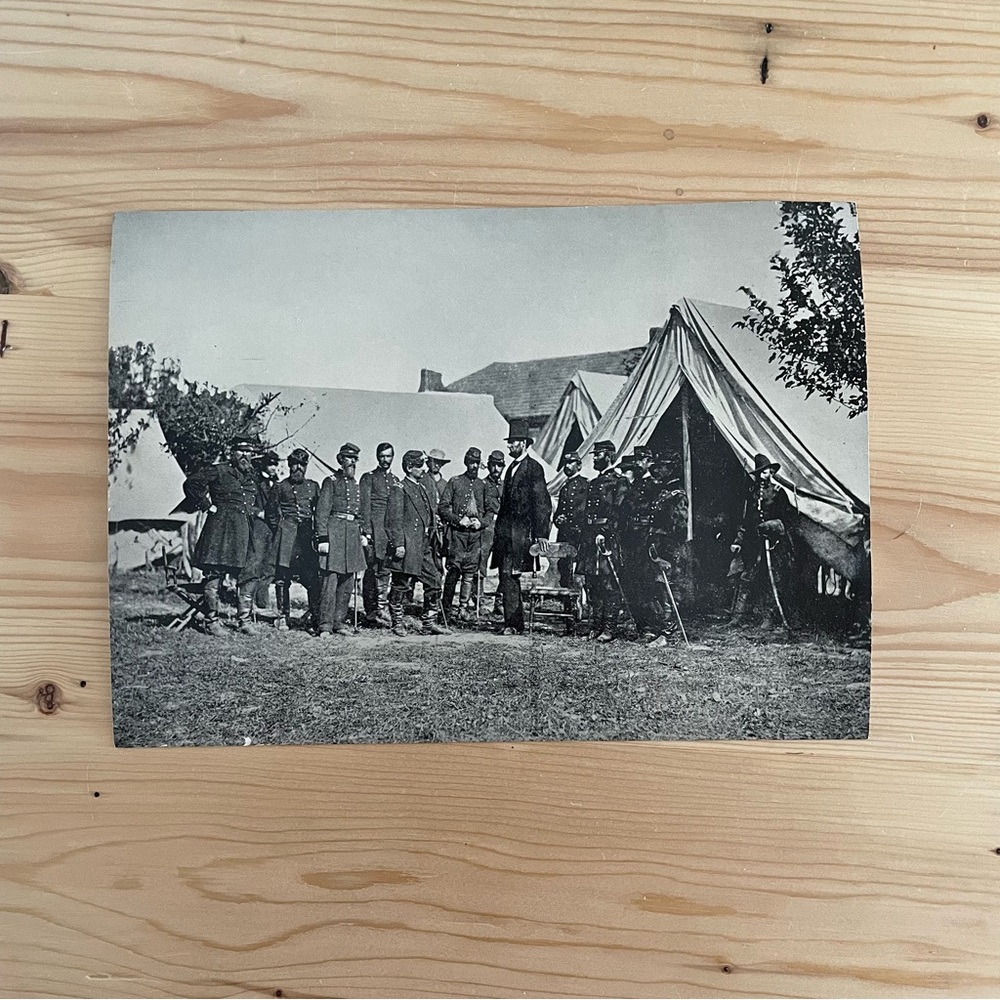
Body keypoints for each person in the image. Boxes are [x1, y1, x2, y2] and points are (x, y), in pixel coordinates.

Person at [183, 436, 262, 636]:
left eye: (248, 452)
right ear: (232, 452)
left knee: (250, 573)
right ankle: (212, 621)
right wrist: (206, 505)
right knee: (214, 575)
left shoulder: (252, 475)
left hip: (244, 532)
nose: (245, 455)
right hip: (221, 531)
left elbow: (253, 502)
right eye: (241, 451)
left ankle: (244, 621)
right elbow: (191, 483)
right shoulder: (218, 470)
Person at [490, 419, 552, 635]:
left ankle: (514, 624)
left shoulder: (533, 468)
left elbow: (542, 503)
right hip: (506, 534)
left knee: (511, 576)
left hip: (521, 534)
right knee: (506, 576)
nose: (509, 446)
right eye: (509, 442)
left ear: (524, 443)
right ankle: (512, 623)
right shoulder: (510, 469)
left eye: (513, 442)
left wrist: (541, 534)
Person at [385, 450, 452, 636]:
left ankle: (428, 624)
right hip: (407, 546)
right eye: (420, 465)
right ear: (409, 467)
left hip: (423, 546)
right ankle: (397, 623)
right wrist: (398, 544)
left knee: (434, 581)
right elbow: (393, 520)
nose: (424, 468)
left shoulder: (421, 487)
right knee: (400, 584)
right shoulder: (399, 488)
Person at [730, 452, 796, 627]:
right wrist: (738, 540)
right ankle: (738, 616)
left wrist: (773, 525)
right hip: (754, 542)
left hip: (773, 544)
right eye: (762, 472)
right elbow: (746, 520)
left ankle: (768, 617)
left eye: (768, 472)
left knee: (771, 577)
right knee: (747, 577)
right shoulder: (751, 493)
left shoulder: (778, 492)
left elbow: (788, 519)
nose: (765, 476)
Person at [576, 439, 628, 641]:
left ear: (609, 456)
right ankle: (595, 626)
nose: (595, 459)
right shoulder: (594, 483)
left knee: (609, 584)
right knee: (593, 583)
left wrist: (605, 532)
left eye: (598, 455)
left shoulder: (619, 482)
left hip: (608, 539)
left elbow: (619, 512)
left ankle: (609, 628)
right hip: (591, 537)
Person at [315, 442, 367, 637]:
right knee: (330, 582)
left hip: (351, 535)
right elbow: (322, 512)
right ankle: (325, 625)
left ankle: (339, 622)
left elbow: (360, 514)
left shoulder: (356, 485)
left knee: (347, 582)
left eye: (355, 459)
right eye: (349, 458)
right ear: (340, 459)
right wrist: (323, 538)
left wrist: (362, 534)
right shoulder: (330, 482)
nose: (352, 462)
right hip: (334, 534)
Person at [266, 448, 321, 631]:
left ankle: (315, 615)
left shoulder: (313, 486)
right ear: (289, 466)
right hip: (287, 536)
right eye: (295, 464)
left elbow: (319, 512)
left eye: (302, 464)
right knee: (283, 578)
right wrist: (282, 530)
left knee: (312, 578)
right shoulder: (280, 487)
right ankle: (283, 616)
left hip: (306, 538)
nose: (298, 468)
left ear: (306, 466)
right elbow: (271, 513)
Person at [439, 447, 495, 622]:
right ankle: (445, 610)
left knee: (469, 574)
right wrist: (458, 520)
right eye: (471, 462)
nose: (474, 466)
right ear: (466, 462)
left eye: (477, 463)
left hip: (475, 536)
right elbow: (443, 508)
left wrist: (481, 523)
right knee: (453, 571)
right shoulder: (455, 482)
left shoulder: (483, 485)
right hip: (457, 535)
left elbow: (490, 512)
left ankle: (463, 609)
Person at [643, 453, 689, 646]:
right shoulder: (663, 492)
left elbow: (679, 528)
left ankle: (670, 633)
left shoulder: (677, 495)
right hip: (658, 545)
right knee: (659, 588)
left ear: (671, 469)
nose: (658, 470)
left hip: (670, 548)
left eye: (662, 467)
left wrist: (668, 555)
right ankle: (662, 628)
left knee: (668, 589)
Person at [359, 442, 399, 627]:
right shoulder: (369, 478)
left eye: (388, 456)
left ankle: (382, 608)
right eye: (382, 456)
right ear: (377, 457)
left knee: (386, 569)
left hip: (390, 530)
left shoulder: (395, 480)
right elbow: (365, 507)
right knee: (371, 569)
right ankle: (370, 610)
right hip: (375, 528)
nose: (385, 460)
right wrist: (367, 532)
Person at [552, 450, 588, 611]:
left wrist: (571, 520)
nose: (567, 466)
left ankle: (581, 605)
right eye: (565, 464)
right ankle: (568, 607)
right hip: (565, 535)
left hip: (578, 535)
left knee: (578, 572)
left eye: (570, 463)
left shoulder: (585, 486)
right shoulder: (564, 488)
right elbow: (559, 511)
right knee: (564, 570)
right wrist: (558, 519)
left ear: (579, 466)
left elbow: (585, 511)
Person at [246, 450, 280, 614]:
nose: (273, 468)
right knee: (256, 563)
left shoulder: (277, 483)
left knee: (269, 566)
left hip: (273, 527)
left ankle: (263, 602)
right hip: (259, 526)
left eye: (275, 465)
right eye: (270, 464)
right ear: (264, 465)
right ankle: (249, 602)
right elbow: (246, 503)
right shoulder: (255, 482)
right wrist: (258, 513)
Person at [479, 449, 506, 618]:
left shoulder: (506, 485)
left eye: (499, 466)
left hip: (502, 529)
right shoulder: (482, 484)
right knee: (480, 563)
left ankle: (500, 602)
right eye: (493, 465)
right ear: (488, 466)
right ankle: (480, 601)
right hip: (487, 528)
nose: (496, 469)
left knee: (504, 565)